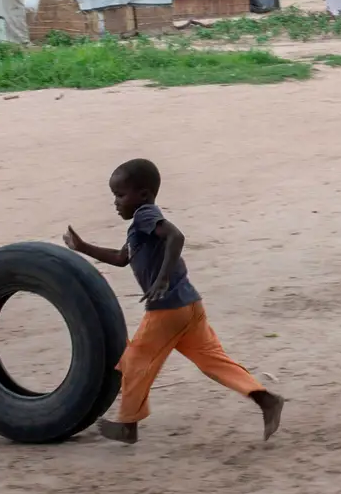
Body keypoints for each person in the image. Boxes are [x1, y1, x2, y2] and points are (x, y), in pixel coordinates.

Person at [64, 159, 284, 444]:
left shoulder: (145, 215)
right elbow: (121, 259)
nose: (115, 203)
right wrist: (82, 247)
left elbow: (176, 236)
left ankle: (128, 425)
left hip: (167, 310)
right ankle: (266, 400)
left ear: (142, 194)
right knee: (214, 361)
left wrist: (162, 278)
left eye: (120, 195)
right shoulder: (140, 225)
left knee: (134, 362)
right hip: (189, 306)